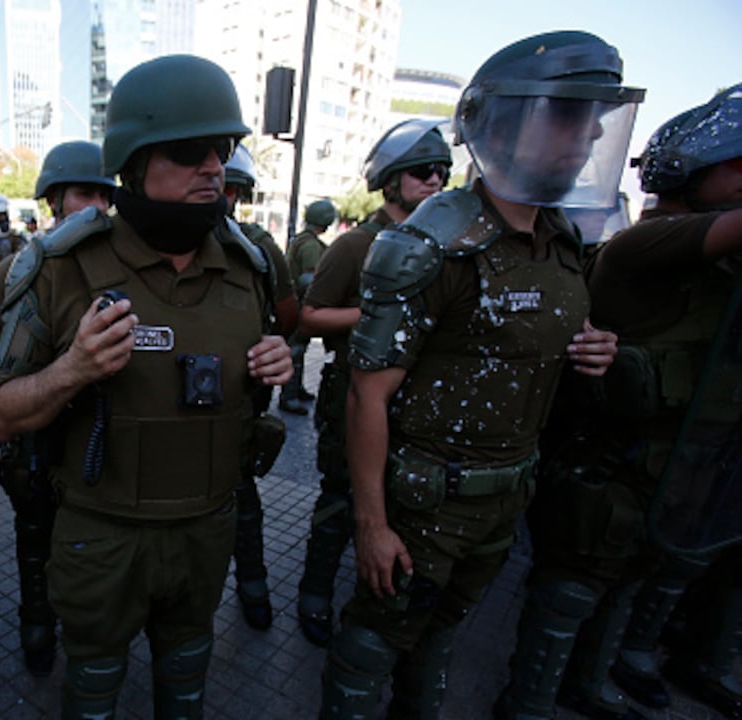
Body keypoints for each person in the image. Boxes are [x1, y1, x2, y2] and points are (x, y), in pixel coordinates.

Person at [318, 31, 634, 720]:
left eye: (595, 119)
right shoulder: (433, 243)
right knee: (374, 643)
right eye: (569, 115)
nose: (589, 134)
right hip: (427, 502)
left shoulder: (563, 240)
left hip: (508, 492)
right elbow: (368, 394)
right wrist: (371, 525)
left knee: (441, 634)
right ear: (506, 124)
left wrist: (593, 348)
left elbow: (546, 336)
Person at [0, 55, 292, 717]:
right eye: (188, 152)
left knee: (187, 677)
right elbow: (3, 416)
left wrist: (271, 363)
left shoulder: (249, 266)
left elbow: (258, 374)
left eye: (222, 149)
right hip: (103, 536)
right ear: (134, 159)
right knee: (93, 682)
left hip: (206, 530)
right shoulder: (60, 266)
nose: (212, 168)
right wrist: (73, 368)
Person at [501, 83, 742, 720]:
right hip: (609, 464)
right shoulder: (649, 240)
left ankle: (586, 684)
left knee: (627, 582)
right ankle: (528, 703)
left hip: (668, 468)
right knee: (571, 591)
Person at [294, 119, 451, 648]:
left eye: (441, 172)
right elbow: (309, 317)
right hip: (352, 392)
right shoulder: (357, 245)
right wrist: (376, 316)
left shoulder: (443, 244)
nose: (435, 180)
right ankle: (315, 594)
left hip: (413, 400)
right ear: (390, 181)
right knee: (340, 501)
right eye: (421, 172)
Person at [0, 139, 116, 677]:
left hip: (95, 440)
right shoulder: (18, 266)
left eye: (104, 195)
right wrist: (39, 370)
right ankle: (36, 623)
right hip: (35, 433)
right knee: (34, 538)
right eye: (83, 194)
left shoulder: (118, 267)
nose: (96, 207)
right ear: (53, 200)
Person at [222, 142, 298, 630]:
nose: (216, 194)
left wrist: (267, 347)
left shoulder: (256, 248)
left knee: (242, 502)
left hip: (238, 401)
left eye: (229, 187)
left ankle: (253, 584)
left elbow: (288, 316)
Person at [279, 198, 337, 415]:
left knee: (299, 350)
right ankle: (289, 396)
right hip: (301, 304)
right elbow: (307, 279)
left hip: (298, 302)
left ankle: (296, 389)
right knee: (296, 351)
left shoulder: (303, 239)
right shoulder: (311, 245)